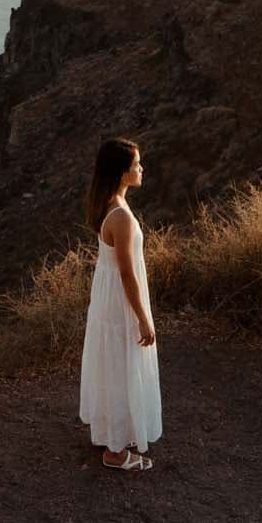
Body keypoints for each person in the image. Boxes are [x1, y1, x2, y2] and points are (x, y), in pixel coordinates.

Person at [79, 134, 162, 471]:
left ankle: (110, 433)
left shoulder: (110, 204)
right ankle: (115, 452)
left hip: (108, 297)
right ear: (123, 172)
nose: (142, 168)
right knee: (121, 365)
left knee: (112, 364)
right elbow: (128, 274)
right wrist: (143, 317)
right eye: (137, 164)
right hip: (119, 301)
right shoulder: (122, 218)